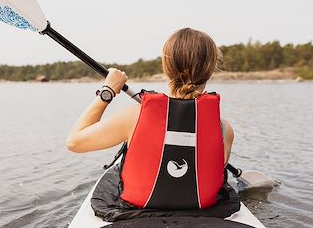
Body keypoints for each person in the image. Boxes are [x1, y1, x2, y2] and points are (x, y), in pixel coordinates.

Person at [66, 28, 234, 210]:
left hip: (138, 213)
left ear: (166, 65)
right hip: (202, 214)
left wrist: (108, 91)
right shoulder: (224, 129)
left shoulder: (134, 116)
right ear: (210, 69)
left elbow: (74, 142)